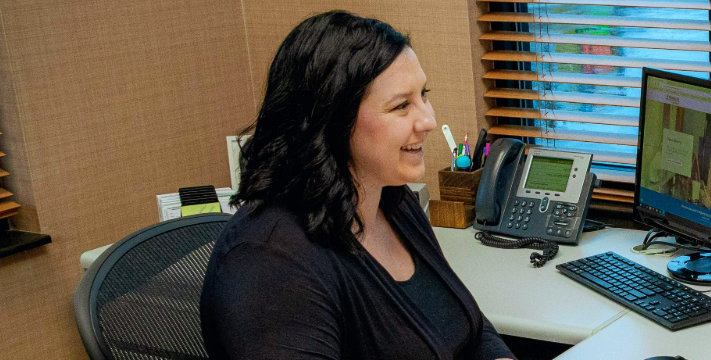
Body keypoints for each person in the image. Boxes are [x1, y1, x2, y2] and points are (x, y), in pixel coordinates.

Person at [200, 11, 514, 360]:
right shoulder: (270, 261)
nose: (428, 119)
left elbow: (468, 327)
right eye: (401, 106)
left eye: (423, 95)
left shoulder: (393, 202)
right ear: (333, 121)